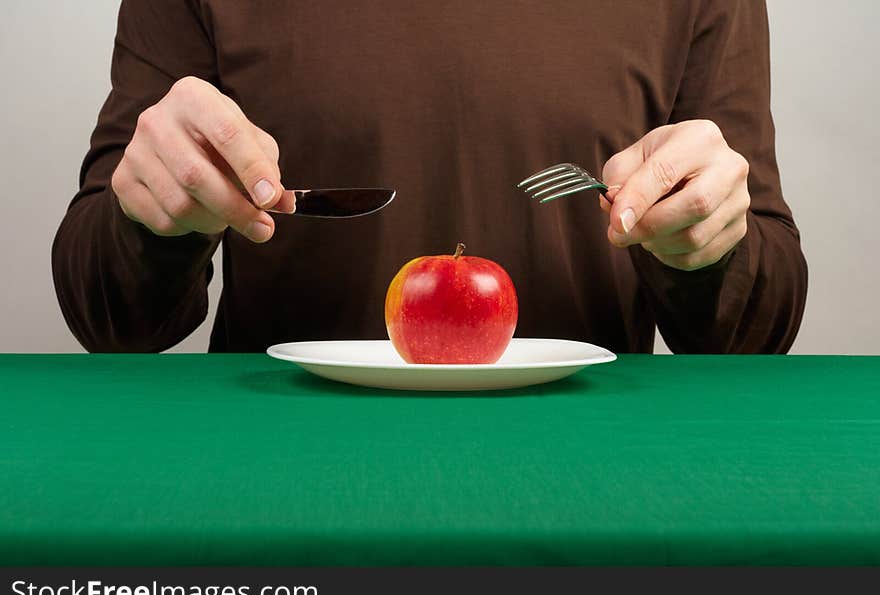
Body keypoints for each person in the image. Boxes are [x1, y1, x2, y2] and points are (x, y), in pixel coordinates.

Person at [52, 1, 807, 354]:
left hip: (591, 486)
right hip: (278, 482)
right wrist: (152, 223)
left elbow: (756, 329)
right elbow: (109, 316)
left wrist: (705, 246)